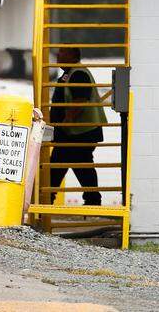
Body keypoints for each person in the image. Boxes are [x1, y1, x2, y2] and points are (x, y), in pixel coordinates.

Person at [48, 47, 107, 205]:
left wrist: (66, 123)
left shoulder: (78, 73)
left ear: (73, 56)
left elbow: (79, 102)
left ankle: (47, 199)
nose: (58, 55)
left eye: (62, 52)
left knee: (61, 165)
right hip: (75, 131)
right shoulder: (69, 73)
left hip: (79, 131)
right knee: (80, 165)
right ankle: (92, 201)